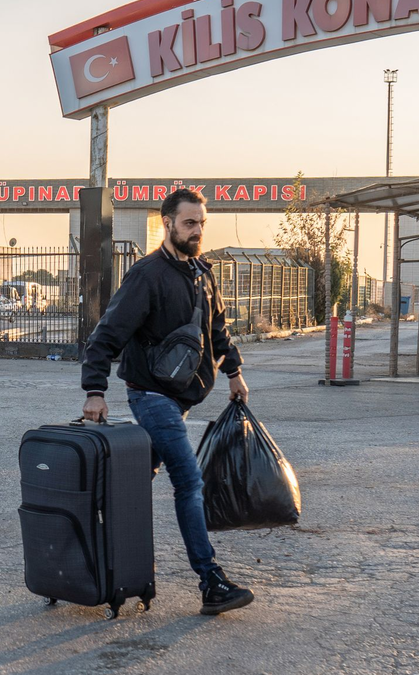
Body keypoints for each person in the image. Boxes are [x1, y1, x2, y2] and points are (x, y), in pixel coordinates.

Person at [81, 188, 254, 617]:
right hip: (151, 396)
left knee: (134, 479)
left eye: (201, 223)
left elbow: (218, 330)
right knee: (189, 481)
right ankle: (210, 580)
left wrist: (234, 371)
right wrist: (95, 390)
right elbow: (107, 333)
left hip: (181, 399)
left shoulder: (202, 273)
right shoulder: (147, 275)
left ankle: (107, 551)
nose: (196, 231)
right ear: (168, 224)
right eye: (188, 223)